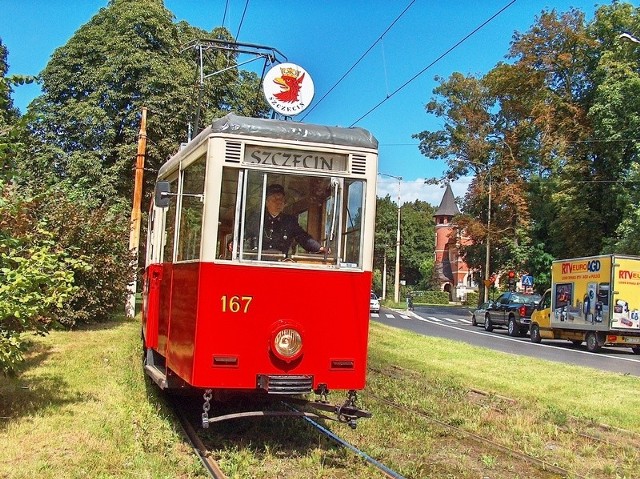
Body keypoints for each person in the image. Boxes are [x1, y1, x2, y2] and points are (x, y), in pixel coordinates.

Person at [248, 183, 327, 255]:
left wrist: (318, 248)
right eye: (275, 199)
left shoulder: (289, 221)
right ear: (266, 202)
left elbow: (303, 237)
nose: (278, 203)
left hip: (281, 264)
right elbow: (243, 235)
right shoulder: (256, 218)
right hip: (257, 262)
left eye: (281, 200)